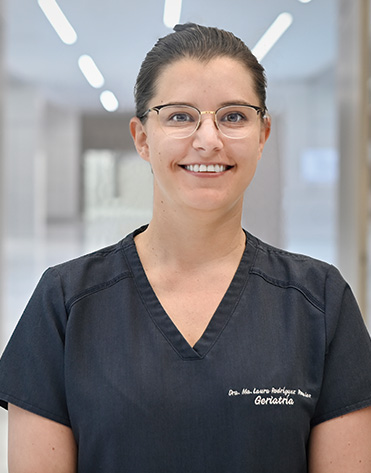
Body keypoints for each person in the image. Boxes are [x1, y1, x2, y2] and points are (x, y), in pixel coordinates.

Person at [1, 23, 371, 473]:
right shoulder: (64, 301)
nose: (208, 139)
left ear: (262, 134)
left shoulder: (321, 301)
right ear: (141, 137)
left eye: (234, 116)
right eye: (179, 116)